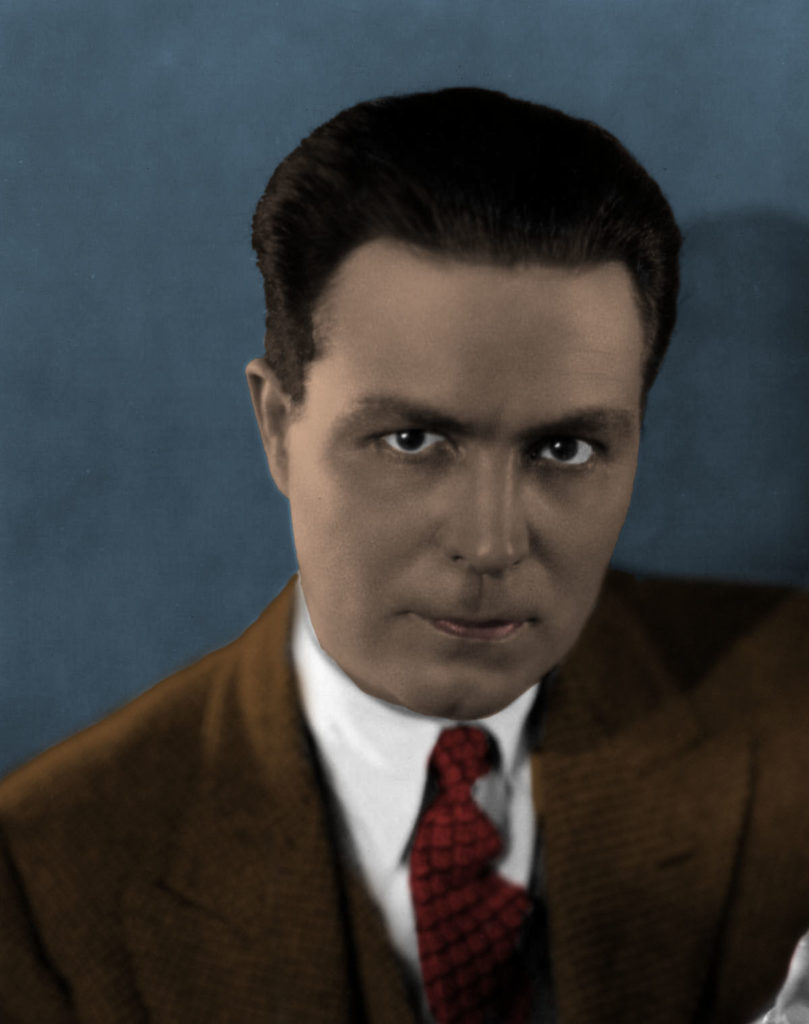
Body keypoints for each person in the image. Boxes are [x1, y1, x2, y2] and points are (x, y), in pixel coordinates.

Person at [1, 87, 807, 1024]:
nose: (490, 544)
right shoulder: (41, 883)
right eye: (412, 442)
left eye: (564, 449)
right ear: (278, 427)